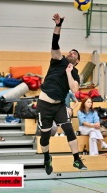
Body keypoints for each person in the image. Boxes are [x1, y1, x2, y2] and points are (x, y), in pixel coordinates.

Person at [36, 13, 87, 175]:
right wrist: (59, 25)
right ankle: (46, 157)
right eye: (70, 52)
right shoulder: (58, 60)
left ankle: (76, 160)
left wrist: (69, 73)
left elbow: (74, 90)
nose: (71, 53)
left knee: (69, 129)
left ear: (77, 61)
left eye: (75, 54)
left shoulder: (75, 72)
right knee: (45, 137)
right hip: (44, 104)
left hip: (59, 105)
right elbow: (54, 42)